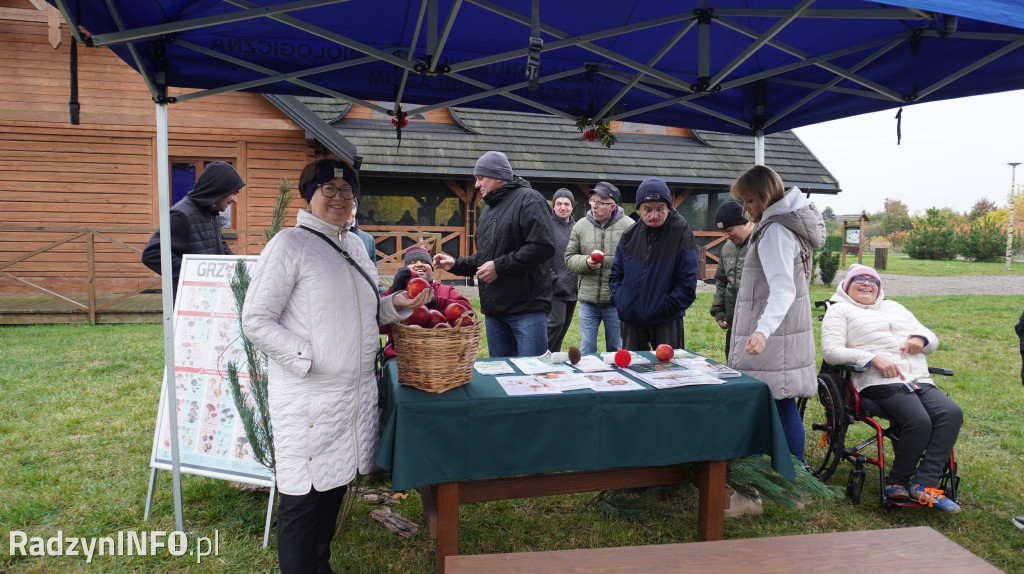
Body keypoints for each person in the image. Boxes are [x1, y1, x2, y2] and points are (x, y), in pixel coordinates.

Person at [240, 156, 431, 573]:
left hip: (350, 399)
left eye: (347, 190)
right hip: (310, 400)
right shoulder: (289, 245)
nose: (339, 197)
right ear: (309, 197)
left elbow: (364, 313)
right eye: (328, 189)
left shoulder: (354, 247)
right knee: (303, 507)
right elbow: (255, 320)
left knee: (329, 497)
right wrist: (309, 357)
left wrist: (396, 304)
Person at [822, 264, 963, 513]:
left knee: (951, 413)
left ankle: (925, 484)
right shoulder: (839, 310)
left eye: (873, 281)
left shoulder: (894, 307)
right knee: (918, 420)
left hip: (916, 378)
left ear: (879, 288)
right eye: (859, 279)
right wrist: (871, 358)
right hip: (877, 381)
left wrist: (919, 339)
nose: (867, 283)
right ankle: (896, 482)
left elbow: (929, 335)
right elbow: (831, 352)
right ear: (846, 286)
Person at [727, 164, 826, 462]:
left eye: (750, 200)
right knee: (779, 402)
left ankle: (792, 472)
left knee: (778, 403)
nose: (745, 209)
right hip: (786, 329)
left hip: (776, 334)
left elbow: (783, 289)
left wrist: (761, 331)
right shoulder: (784, 225)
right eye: (743, 202)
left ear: (767, 195)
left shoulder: (775, 231)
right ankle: (788, 470)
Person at [433, 151, 555, 357]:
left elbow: (543, 246)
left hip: (527, 309)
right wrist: (456, 263)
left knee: (531, 378)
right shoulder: (488, 211)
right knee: (502, 381)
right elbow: (485, 257)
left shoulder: (529, 200)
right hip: (494, 312)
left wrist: (500, 267)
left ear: (499, 176)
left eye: (481, 178)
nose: (477, 185)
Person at [608, 177, 697, 351]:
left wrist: (665, 306)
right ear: (639, 209)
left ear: (669, 207)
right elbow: (615, 274)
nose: (654, 215)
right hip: (631, 319)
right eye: (647, 210)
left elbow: (687, 281)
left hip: (666, 320)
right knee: (631, 372)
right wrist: (621, 299)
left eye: (660, 209)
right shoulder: (630, 234)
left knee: (668, 373)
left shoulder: (681, 232)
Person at [141, 161, 244, 301]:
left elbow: (217, 244)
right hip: (190, 301)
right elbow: (152, 254)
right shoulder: (181, 215)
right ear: (219, 189)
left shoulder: (210, 212)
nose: (235, 199)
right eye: (233, 193)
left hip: (209, 296)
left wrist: (239, 266)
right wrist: (193, 274)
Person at [565, 182, 633, 353]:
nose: (594, 205)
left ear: (612, 206)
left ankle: (617, 380)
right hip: (588, 300)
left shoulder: (629, 227)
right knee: (587, 348)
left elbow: (636, 261)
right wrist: (586, 262)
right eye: (592, 201)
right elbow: (569, 258)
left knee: (616, 347)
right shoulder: (580, 226)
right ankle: (589, 378)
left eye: (599, 202)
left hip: (615, 300)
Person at [381, 246, 472, 360]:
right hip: (401, 355)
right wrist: (393, 291)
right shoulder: (398, 294)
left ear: (432, 269)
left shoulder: (446, 290)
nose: (419, 264)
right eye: (412, 262)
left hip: (441, 355)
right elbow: (378, 325)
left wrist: (435, 302)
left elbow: (468, 310)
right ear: (406, 269)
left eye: (424, 262)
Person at [709, 200, 755, 358]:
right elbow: (722, 281)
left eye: (729, 230)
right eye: (723, 232)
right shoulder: (726, 248)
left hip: (756, 327)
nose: (726, 236)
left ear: (745, 222)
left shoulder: (760, 244)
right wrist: (719, 310)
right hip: (733, 326)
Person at [546, 188, 579, 352]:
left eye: (566, 204)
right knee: (555, 324)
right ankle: (540, 356)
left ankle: (554, 358)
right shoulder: (547, 226)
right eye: (558, 203)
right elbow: (542, 256)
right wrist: (554, 279)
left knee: (563, 328)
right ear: (553, 206)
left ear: (572, 207)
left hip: (573, 287)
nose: (562, 207)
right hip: (555, 286)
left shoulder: (577, 228)